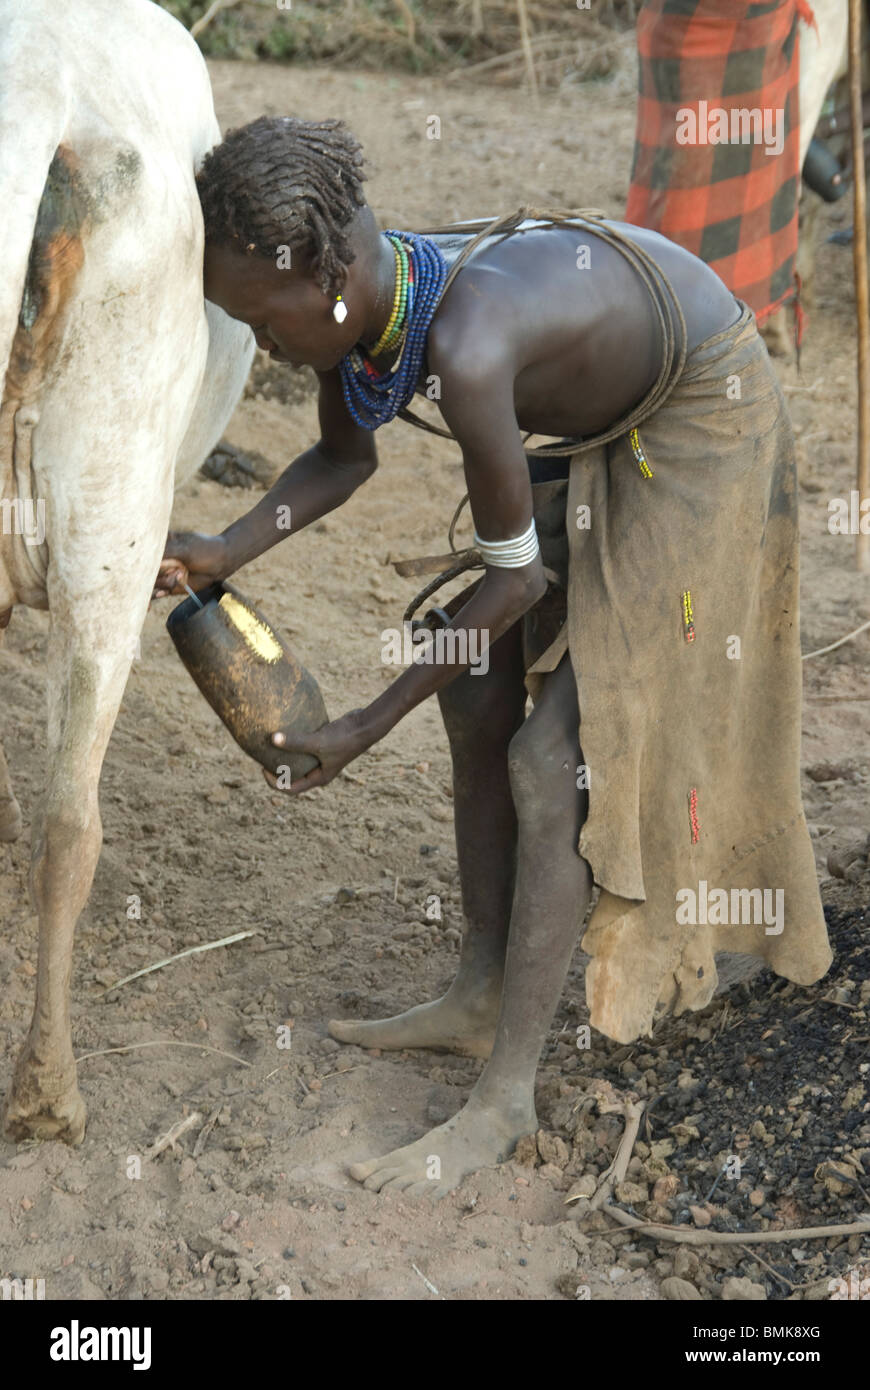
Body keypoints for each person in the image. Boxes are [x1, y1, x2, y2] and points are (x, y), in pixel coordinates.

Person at [154, 116, 831, 1198]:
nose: (257, 345)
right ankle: (477, 991)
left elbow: (512, 584)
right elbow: (342, 453)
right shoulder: (372, 308)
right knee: (473, 689)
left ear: (323, 277)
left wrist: (361, 726)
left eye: (254, 318)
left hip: (701, 414)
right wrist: (221, 549)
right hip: (606, 414)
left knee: (549, 758)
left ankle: (506, 1100)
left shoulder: (466, 347)